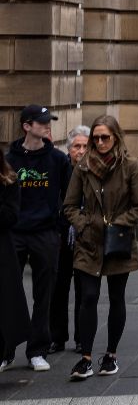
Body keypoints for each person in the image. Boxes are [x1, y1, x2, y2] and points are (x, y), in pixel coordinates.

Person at [62, 115, 138, 381]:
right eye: (96, 138)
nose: (100, 142)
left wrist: (118, 223)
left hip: (118, 241)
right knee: (88, 297)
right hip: (89, 242)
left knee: (116, 297)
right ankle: (86, 358)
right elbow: (69, 205)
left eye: (105, 137)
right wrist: (84, 225)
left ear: (116, 137)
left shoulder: (130, 166)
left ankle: (111, 355)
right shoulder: (83, 166)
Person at [8, 104, 70, 372]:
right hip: (14, 233)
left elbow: (69, 196)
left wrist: (59, 226)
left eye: (48, 121)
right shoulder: (9, 159)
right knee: (8, 292)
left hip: (45, 233)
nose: (47, 126)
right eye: (42, 122)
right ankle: (6, 351)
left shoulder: (58, 159)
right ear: (27, 126)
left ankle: (37, 350)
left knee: (44, 294)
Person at [49, 126, 88, 358]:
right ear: (69, 148)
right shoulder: (60, 167)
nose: (80, 151)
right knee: (58, 287)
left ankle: (82, 338)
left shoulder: (93, 169)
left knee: (84, 289)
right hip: (61, 234)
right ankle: (57, 336)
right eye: (76, 146)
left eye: (85, 146)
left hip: (85, 234)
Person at [0, 139, 27, 374]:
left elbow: (10, 216)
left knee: (5, 307)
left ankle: (5, 352)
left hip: (2, 252)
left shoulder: (8, 180)